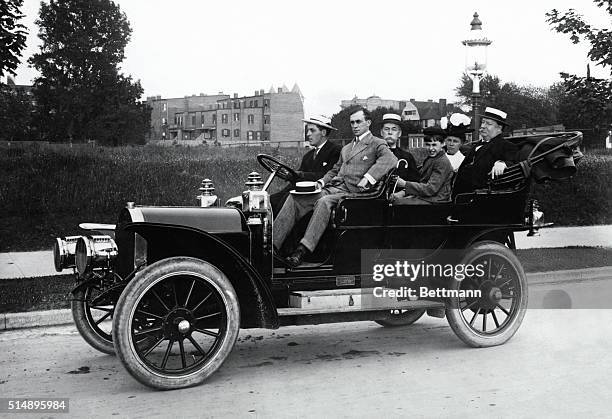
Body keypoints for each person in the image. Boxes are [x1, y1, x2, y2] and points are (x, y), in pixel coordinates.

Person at [273, 107, 397, 267]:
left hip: (357, 194)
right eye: (352, 122)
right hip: (335, 188)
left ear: (368, 122)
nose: (355, 126)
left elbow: (390, 160)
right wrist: (321, 182)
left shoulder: (377, 143)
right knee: (296, 197)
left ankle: (302, 250)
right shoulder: (347, 148)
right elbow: (335, 170)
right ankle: (272, 247)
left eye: (358, 122)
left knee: (324, 201)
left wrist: (368, 178)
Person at [270, 116, 341, 214]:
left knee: (285, 200)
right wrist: (289, 175)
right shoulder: (308, 155)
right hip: (303, 191)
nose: (308, 134)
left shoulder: (335, 151)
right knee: (270, 200)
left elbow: (328, 176)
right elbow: (297, 177)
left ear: (323, 133)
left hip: (319, 194)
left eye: (312, 131)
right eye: (308, 131)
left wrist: (301, 175)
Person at [453, 107, 518, 195]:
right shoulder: (475, 146)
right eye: (483, 122)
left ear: (499, 128)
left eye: (488, 124)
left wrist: (503, 163)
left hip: (482, 199)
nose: (483, 126)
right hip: (461, 196)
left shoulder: (506, 146)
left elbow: (514, 162)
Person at [392, 129, 454, 204]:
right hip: (427, 198)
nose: (431, 149)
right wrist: (404, 192)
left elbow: (431, 189)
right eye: (428, 145)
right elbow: (421, 180)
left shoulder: (442, 162)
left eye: (434, 145)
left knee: (397, 203)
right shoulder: (432, 158)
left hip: (436, 201)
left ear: (443, 144)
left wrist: (405, 184)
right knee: (394, 200)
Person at [379, 113, 419, 185]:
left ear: (399, 133)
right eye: (386, 129)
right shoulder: (373, 155)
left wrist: (402, 193)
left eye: (394, 129)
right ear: (381, 132)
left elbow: (415, 182)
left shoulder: (407, 157)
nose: (390, 132)